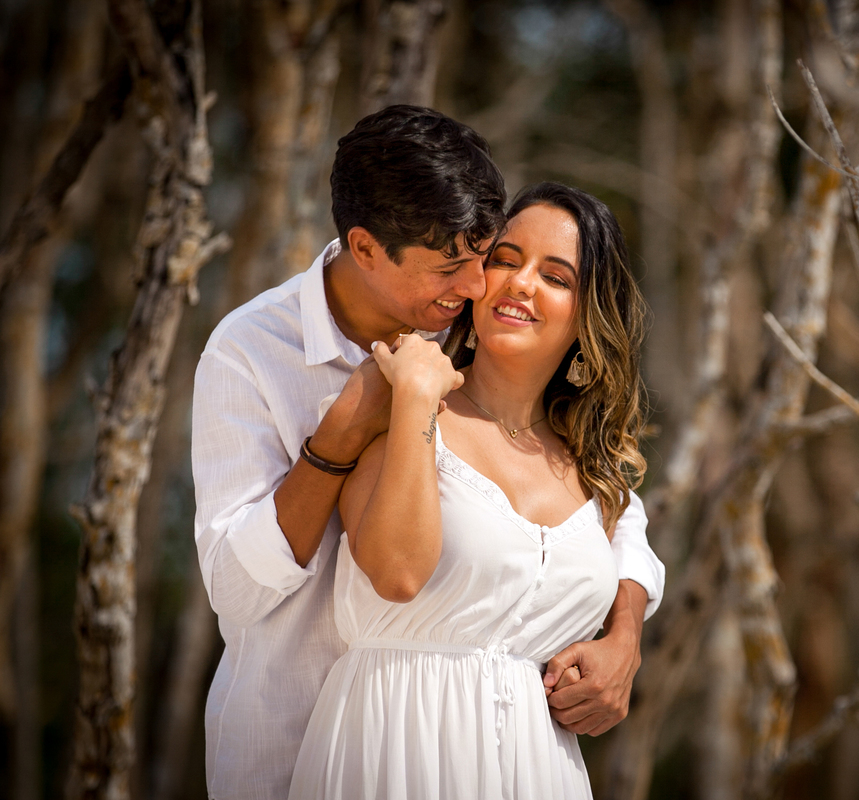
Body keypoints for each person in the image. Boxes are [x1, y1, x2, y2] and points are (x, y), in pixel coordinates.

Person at [192, 108, 665, 799]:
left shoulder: (463, 333)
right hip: (303, 741)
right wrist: (337, 442)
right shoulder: (252, 352)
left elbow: (614, 520)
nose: (481, 286)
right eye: (456, 266)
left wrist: (624, 636)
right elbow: (237, 590)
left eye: (485, 255)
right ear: (365, 248)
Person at [289, 182, 649, 799]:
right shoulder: (395, 399)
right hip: (395, 753)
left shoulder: (596, 470)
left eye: (556, 277)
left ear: (587, 319)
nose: (519, 283)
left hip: (540, 773)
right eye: (505, 260)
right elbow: (397, 571)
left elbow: (634, 546)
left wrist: (625, 640)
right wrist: (417, 401)